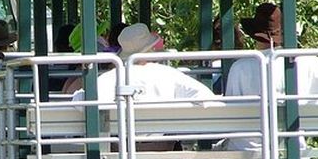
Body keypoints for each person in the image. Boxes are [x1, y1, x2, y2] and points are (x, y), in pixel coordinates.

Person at [215, 3, 318, 159]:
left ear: (254, 34)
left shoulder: (239, 67)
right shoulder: (305, 62)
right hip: (294, 153)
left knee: (216, 157)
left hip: (247, 155)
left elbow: (231, 111)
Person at [72, 23, 216, 104]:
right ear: (151, 49)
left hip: (121, 148)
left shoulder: (112, 77)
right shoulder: (169, 74)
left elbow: (80, 101)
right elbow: (207, 99)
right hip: (162, 149)